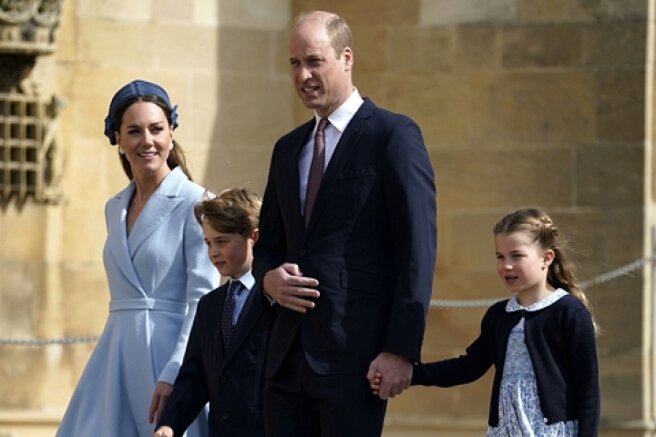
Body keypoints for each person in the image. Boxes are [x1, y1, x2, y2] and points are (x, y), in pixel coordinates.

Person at [252, 10, 437, 437]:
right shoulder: (287, 149)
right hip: (285, 363)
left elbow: (418, 250)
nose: (303, 75)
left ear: (347, 58)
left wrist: (401, 349)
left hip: (356, 359)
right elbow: (268, 247)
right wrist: (268, 280)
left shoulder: (393, 135)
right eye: (294, 64)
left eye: (314, 61)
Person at [57, 79, 220, 437]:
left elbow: (202, 300)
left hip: (168, 357)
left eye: (157, 129)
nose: (147, 140)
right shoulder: (113, 207)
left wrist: (176, 371)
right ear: (117, 138)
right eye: (134, 131)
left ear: (172, 133)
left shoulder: (198, 203)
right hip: (114, 354)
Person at [372, 207, 600, 436]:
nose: (506, 265)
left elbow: (587, 388)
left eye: (517, 255)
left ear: (546, 258)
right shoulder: (498, 316)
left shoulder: (569, 312)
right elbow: (468, 367)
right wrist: (411, 374)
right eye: (500, 257)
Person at [152, 188, 274, 437]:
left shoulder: (276, 299)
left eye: (222, 241)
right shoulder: (209, 305)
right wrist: (169, 425)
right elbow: (194, 375)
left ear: (254, 237)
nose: (213, 253)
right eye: (208, 243)